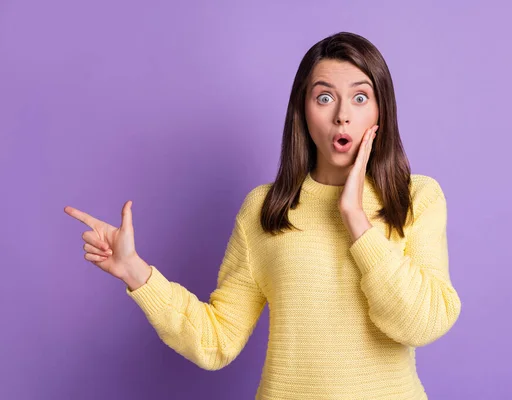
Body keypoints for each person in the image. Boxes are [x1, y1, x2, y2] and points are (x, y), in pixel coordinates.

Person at [64, 31, 461, 399]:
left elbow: (423, 323)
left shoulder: (416, 198)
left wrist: (356, 219)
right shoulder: (265, 209)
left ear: (381, 110)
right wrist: (135, 271)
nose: (342, 115)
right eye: (324, 97)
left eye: (360, 98)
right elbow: (217, 340)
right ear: (303, 112)